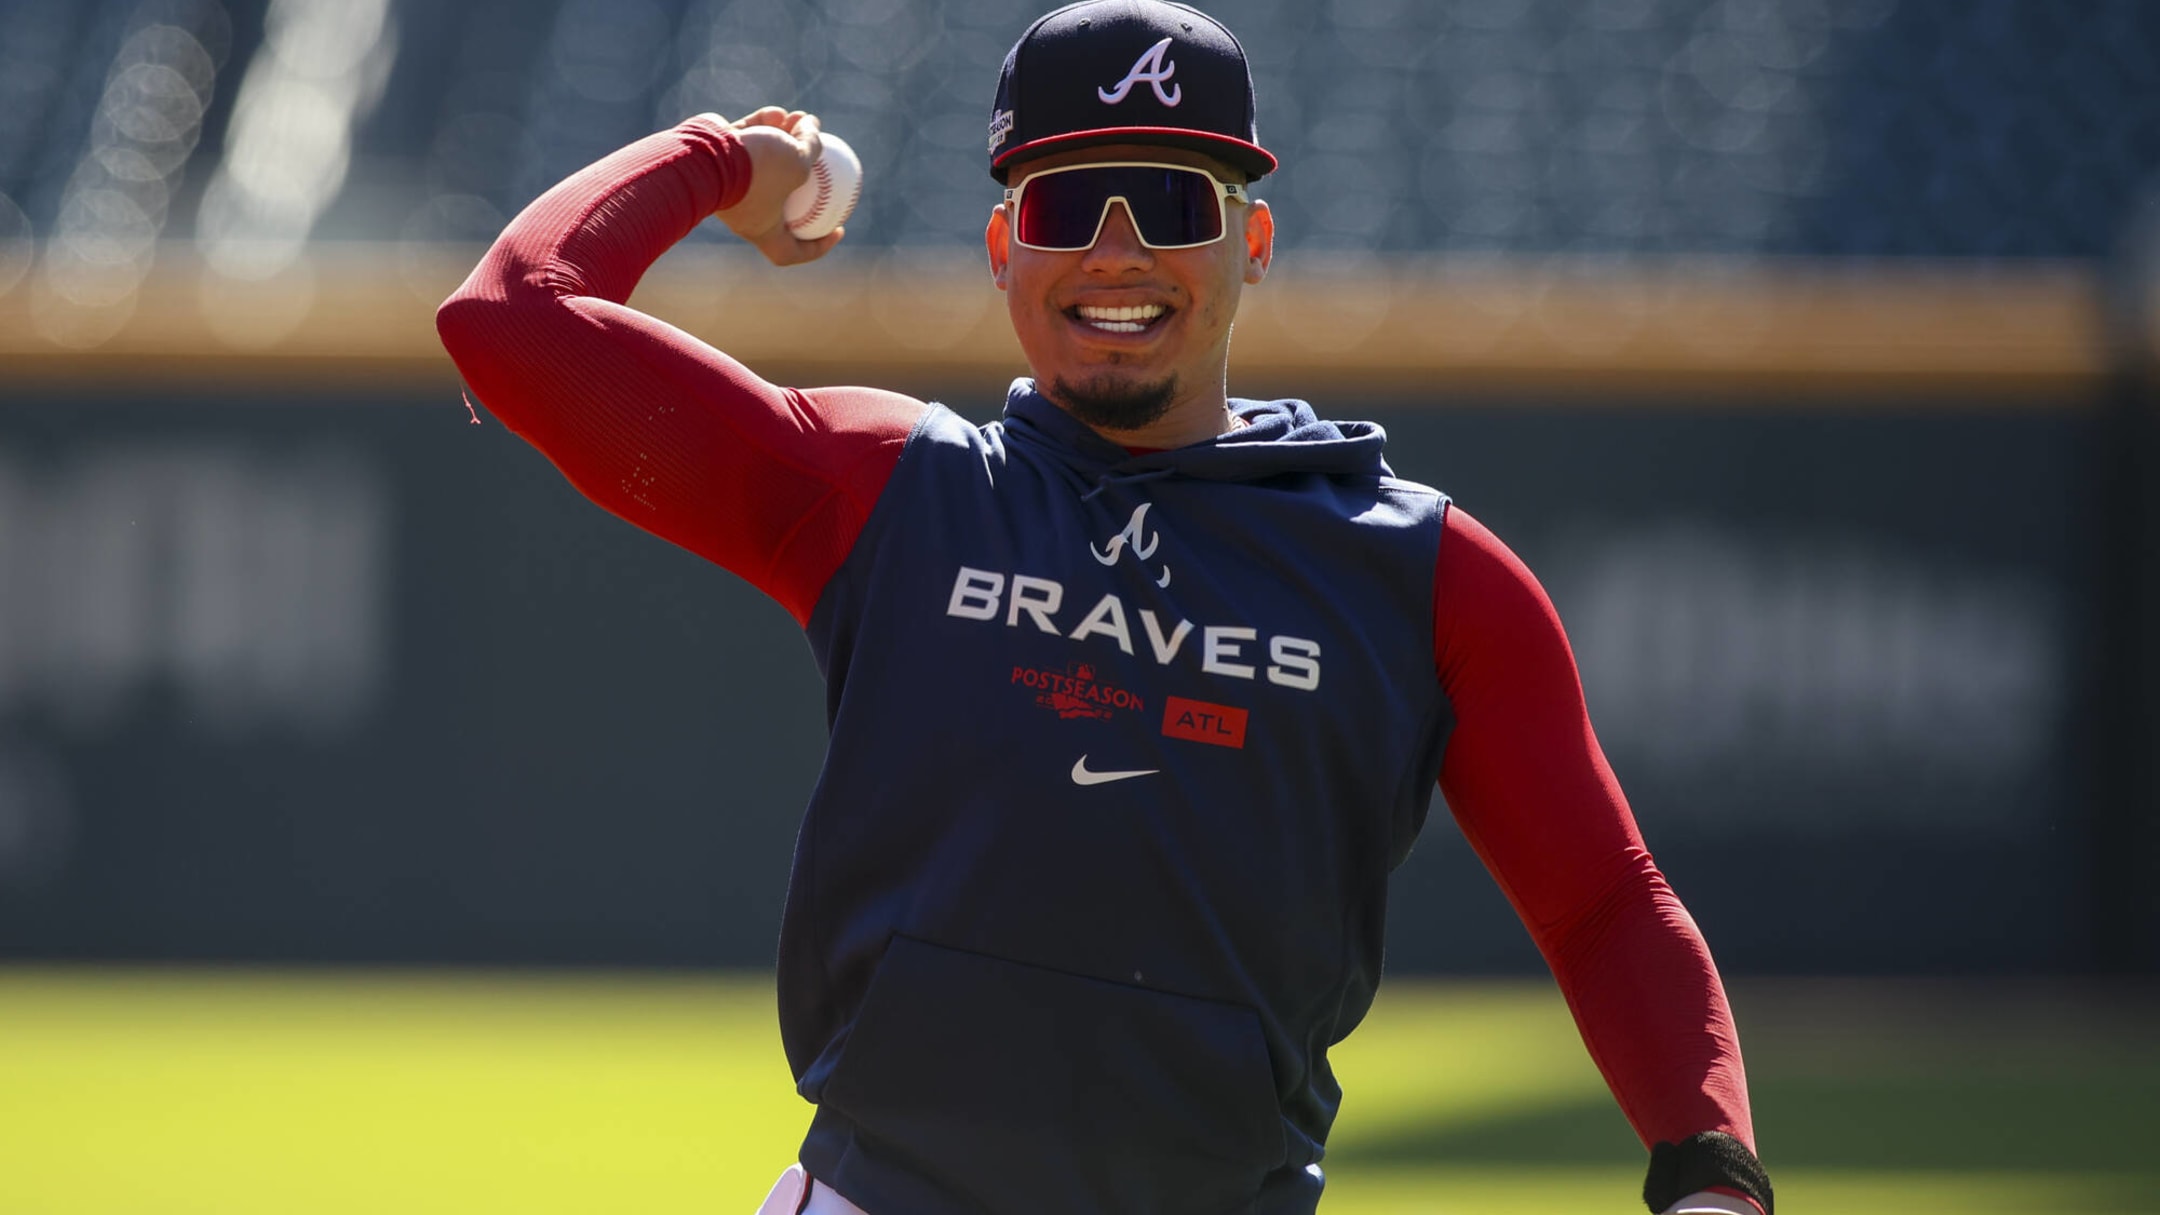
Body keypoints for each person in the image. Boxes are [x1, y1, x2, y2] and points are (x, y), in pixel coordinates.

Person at [436, 2, 1773, 1212]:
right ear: (1004, 247)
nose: (1117, 252)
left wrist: (1711, 1169)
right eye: (1070, 205)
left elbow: (1603, 900)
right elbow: (511, 317)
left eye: (1167, 202)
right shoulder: (892, 490)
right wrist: (727, 156)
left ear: (1249, 242)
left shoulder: (1427, 574)